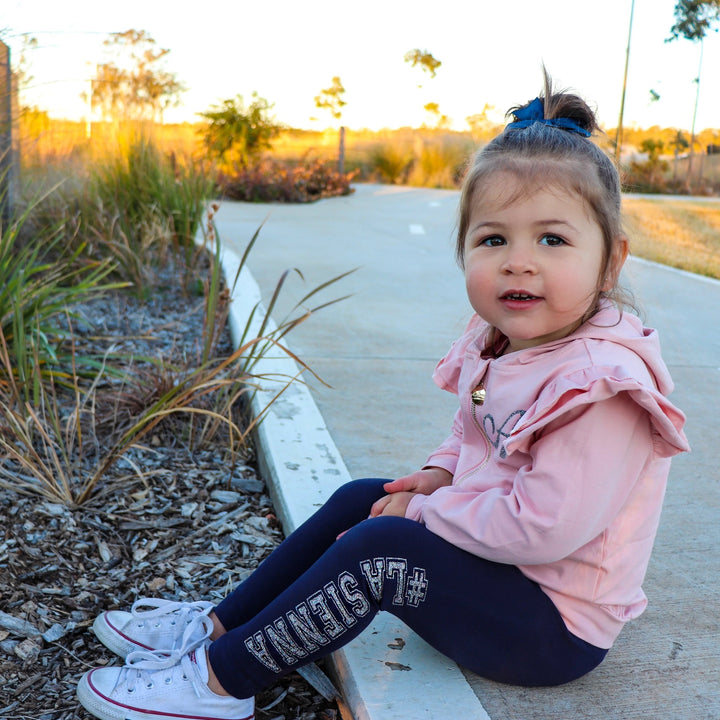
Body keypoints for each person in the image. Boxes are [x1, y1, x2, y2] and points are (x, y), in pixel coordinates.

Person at [76, 71, 689, 720]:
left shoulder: (603, 386)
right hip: (502, 573)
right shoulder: (510, 341)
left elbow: (543, 527)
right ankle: (220, 627)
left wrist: (422, 515)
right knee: (362, 496)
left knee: (382, 549)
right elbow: (470, 430)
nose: (518, 261)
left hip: (549, 628)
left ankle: (220, 684)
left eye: (553, 239)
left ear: (611, 260)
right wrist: (434, 475)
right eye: (493, 238)